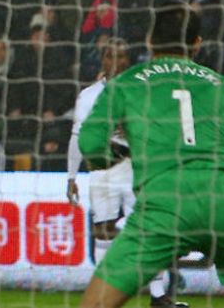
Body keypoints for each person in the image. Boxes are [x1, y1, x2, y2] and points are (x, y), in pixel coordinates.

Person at [78, 6, 224, 308]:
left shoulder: (126, 83)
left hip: (164, 204)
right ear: (197, 43)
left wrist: (107, 160)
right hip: (223, 202)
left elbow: (90, 142)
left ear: (149, 40)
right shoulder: (223, 87)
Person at [67, 38, 187, 308]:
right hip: (102, 172)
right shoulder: (89, 95)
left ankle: (159, 297)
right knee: (103, 231)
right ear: (104, 61)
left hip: (137, 169)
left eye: (123, 57)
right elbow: (76, 137)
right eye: (112, 56)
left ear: (129, 61)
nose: (118, 62)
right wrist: (71, 177)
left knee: (150, 229)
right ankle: (102, 295)